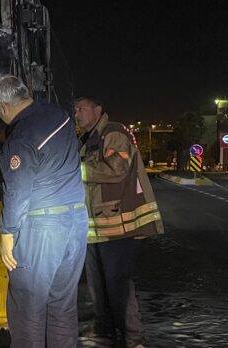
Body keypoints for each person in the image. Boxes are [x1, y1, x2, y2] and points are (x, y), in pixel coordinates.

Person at [0, 75, 87, 347]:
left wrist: (7, 234)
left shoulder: (20, 139)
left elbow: (17, 191)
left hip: (42, 228)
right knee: (62, 305)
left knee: (27, 308)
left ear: (3, 106)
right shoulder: (58, 114)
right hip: (75, 221)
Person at [74, 96, 163, 348]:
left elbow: (116, 169)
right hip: (94, 230)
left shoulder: (113, 133)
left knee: (117, 283)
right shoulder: (86, 139)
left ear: (98, 110)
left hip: (118, 227)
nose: (77, 113)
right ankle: (104, 332)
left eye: (82, 108)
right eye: (75, 109)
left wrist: (75, 169)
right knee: (98, 286)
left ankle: (133, 338)